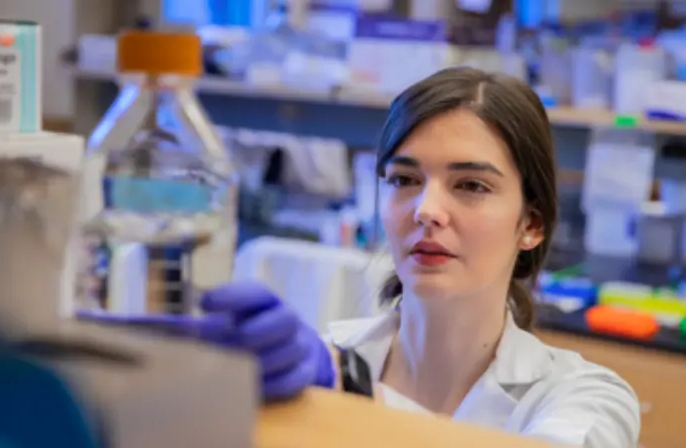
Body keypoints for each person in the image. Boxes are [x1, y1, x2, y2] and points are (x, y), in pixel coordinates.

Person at [88, 67, 640, 447]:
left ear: (532, 224)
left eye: (470, 185)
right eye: (404, 179)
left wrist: (351, 388)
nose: (426, 209)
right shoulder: (312, 363)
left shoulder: (584, 395)